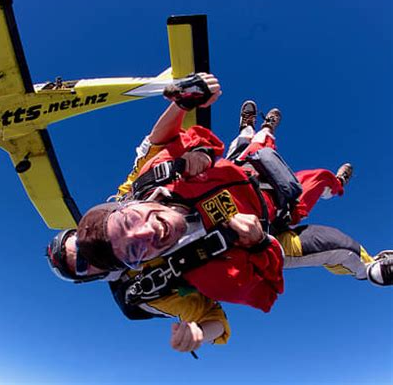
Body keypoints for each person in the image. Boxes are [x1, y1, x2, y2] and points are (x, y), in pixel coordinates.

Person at [47, 73, 392, 352]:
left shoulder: (133, 194)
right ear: (106, 272)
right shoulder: (148, 287)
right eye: (85, 264)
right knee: (327, 227)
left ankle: (258, 126)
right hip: (267, 230)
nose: (145, 233)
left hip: (245, 176)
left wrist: (181, 103)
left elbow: (155, 145)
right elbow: (214, 318)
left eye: (79, 241)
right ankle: (371, 267)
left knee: (253, 147)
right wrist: (200, 333)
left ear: (125, 206)